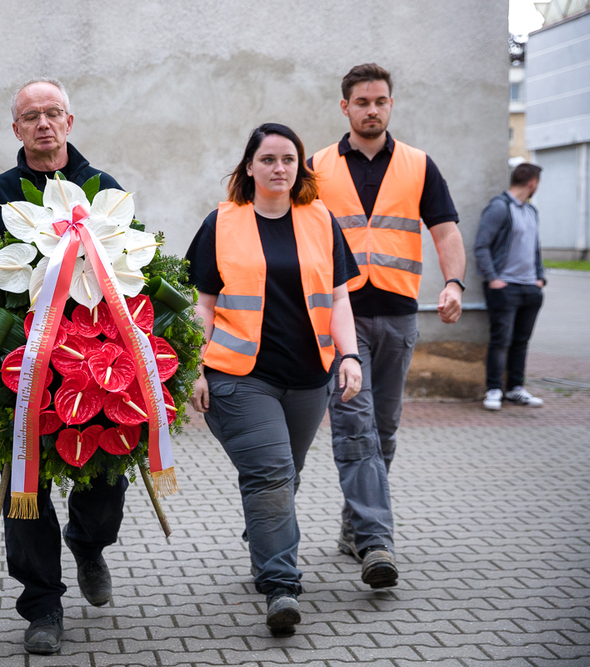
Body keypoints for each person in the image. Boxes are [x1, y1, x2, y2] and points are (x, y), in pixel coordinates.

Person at [0, 78, 125, 655]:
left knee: (105, 481)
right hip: (21, 367)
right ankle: (43, 607)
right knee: (25, 489)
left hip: (97, 365)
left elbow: (132, 268)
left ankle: (88, 541)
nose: (43, 124)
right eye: (32, 116)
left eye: (53, 114)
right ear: (17, 129)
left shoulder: (102, 190)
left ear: (70, 122)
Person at [187, 123, 362, 636]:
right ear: (249, 167)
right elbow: (204, 304)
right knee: (270, 474)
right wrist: (195, 367)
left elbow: (340, 297)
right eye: (268, 159)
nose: (279, 167)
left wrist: (349, 356)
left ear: (300, 167)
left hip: (309, 377)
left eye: (289, 159)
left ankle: (263, 532)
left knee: (286, 475)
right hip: (240, 378)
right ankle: (280, 584)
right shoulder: (221, 223)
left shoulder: (320, 220)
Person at [310, 63, 466, 589]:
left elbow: (444, 231)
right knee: (354, 424)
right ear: (345, 107)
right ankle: (377, 541)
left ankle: (356, 525)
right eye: (362, 102)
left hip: (398, 315)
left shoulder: (420, 165)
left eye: (380, 101)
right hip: (340, 317)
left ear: (390, 104)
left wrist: (454, 283)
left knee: (385, 428)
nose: (371, 109)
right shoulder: (318, 167)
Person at [475, 162, 546, 410]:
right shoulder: (499, 208)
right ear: (532, 183)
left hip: (530, 289)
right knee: (500, 341)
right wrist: (493, 279)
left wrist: (541, 278)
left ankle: (516, 388)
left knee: (521, 341)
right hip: (505, 288)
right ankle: (494, 389)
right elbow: (481, 245)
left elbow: (535, 248)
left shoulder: (531, 211)